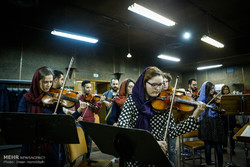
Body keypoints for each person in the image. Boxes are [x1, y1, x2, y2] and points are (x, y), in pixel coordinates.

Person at [117, 66, 206, 167]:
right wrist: (152, 143)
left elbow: (174, 131)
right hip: (137, 155)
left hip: (158, 155)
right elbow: (123, 129)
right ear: (144, 83)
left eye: (160, 84)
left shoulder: (165, 105)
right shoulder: (132, 101)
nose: (158, 88)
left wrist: (195, 115)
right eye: (153, 84)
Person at [17, 67, 65, 167]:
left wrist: (58, 121)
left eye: (51, 82)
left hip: (50, 147)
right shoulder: (26, 99)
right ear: (36, 82)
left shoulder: (54, 100)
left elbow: (64, 121)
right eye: (45, 82)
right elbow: (20, 122)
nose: (49, 85)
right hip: (30, 146)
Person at [74, 80, 105, 160]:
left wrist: (100, 103)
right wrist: (77, 117)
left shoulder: (93, 99)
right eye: (87, 87)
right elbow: (77, 110)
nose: (89, 89)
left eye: (90, 87)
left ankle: (86, 159)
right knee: (80, 142)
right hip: (81, 123)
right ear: (82, 87)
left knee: (89, 142)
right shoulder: (79, 99)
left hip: (90, 123)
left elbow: (96, 111)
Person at [197, 81, 226, 167]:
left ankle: (220, 163)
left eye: (213, 88)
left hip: (216, 122)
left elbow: (221, 107)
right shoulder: (203, 99)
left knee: (218, 144)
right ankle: (208, 162)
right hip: (207, 122)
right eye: (211, 89)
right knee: (208, 144)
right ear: (207, 89)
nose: (213, 91)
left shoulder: (216, 97)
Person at [162, 72, 177, 166]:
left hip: (171, 125)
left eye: (166, 82)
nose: (165, 84)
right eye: (163, 82)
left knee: (172, 149)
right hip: (160, 126)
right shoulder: (155, 94)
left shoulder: (173, 92)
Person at [221, 85, 236, 154]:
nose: (226, 91)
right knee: (224, 133)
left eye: (227, 89)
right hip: (224, 117)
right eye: (224, 89)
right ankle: (224, 147)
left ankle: (232, 148)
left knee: (231, 133)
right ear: (222, 91)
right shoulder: (221, 98)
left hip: (231, 117)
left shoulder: (231, 97)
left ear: (229, 90)